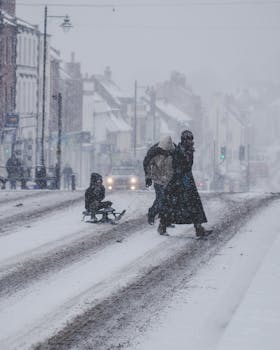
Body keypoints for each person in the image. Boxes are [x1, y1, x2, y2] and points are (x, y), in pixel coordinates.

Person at [158, 130, 208, 237]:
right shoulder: (179, 151)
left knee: (193, 204)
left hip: (186, 179)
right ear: (184, 140)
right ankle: (162, 225)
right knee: (173, 205)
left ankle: (198, 228)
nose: (191, 141)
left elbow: (188, 166)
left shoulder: (188, 150)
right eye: (189, 139)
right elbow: (177, 165)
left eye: (191, 139)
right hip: (178, 180)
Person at [143, 135, 175, 226]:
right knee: (160, 199)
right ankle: (152, 214)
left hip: (169, 180)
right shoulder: (154, 154)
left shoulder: (173, 153)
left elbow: (176, 166)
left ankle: (165, 220)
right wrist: (148, 177)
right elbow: (147, 165)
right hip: (158, 180)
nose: (166, 153)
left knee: (169, 201)